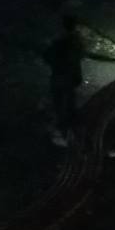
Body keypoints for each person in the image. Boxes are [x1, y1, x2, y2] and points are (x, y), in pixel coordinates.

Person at [43, 13, 86, 144]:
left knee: (60, 104)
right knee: (69, 103)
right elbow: (79, 56)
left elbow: (48, 56)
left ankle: (64, 131)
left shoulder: (60, 41)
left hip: (60, 76)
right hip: (71, 76)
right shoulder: (78, 40)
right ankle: (71, 132)